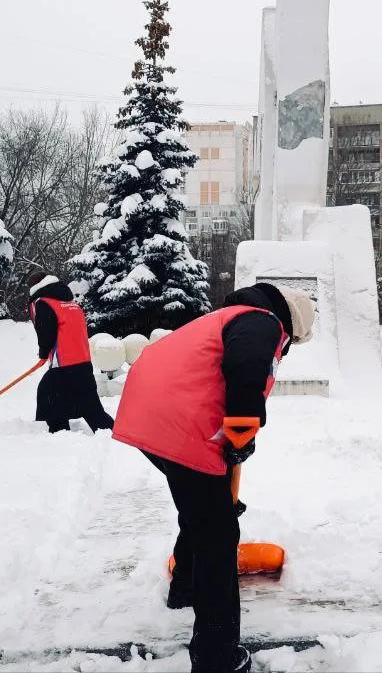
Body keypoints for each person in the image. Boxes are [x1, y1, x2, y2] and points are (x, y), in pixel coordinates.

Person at [112, 282, 315, 672]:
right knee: (217, 535)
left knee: (204, 510)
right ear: (292, 324)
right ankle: (216, 656)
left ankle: (185, 588)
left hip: (149, 414)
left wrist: (238, 439)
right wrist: (241, 430)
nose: (285, 349)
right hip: (178, 422)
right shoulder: (263, 321)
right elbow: (246, 371)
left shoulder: (227, 316)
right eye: (291, 344)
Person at [25, 271, 114, 434]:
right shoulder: (72, 304)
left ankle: (59, 433)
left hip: (64, 365)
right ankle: (112, 432)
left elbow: (46, 332)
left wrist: (43, 353)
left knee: (48, 395)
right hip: (84, 363)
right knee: (91, 407)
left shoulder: (44, 303)